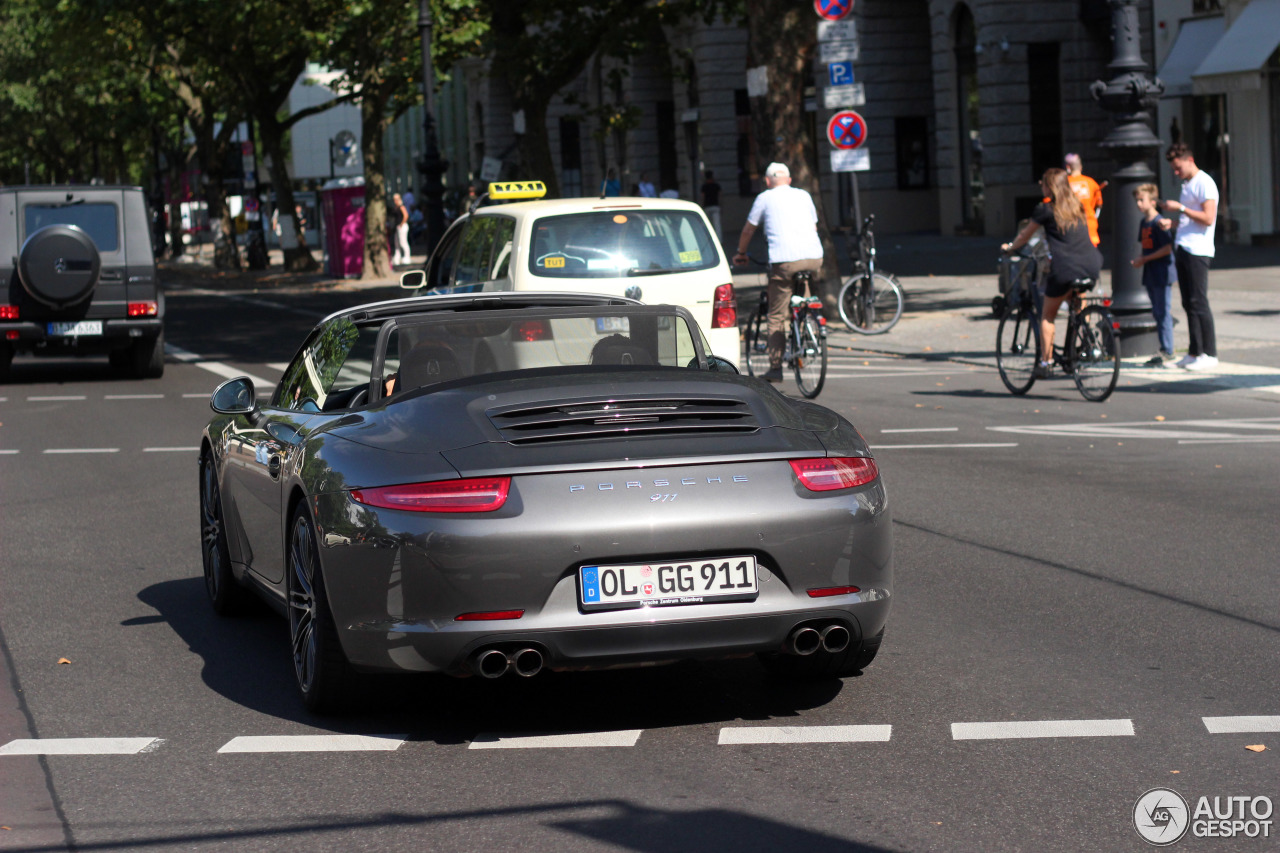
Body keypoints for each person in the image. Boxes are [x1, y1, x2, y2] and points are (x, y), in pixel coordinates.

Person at [1002, 168, 1102, 378]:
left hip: (1065, 267)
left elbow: (1025, 236)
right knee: (1077, 307)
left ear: (1049, 186)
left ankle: (1045, 362)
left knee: (1047, 316)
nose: (1042, 187)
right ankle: (1078, 347)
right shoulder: (1078, 206)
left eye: (1043, 184)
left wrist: (1011, 247)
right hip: (1092, 263)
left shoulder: (1045, 209)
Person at [732, 162, 824, 383]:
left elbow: (748, 230)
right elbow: (814, 228)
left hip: (784, 261)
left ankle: (775, 368)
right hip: (813, 258)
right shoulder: (803, 195)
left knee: (776, 315)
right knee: (804, 299)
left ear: (767, 181)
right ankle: (808, 328)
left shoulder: (765, 198)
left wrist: (741, 252)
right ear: (790, 180)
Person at [1161, 142, 1219, 371]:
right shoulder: (1188, 184)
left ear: (1189, 160)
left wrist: (1181, 210)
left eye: (1178, 168)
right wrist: (1174, 223)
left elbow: (1208, 218)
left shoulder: (1204, 182)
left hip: (1198, 250)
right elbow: (1192, 221)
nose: (1176, 173)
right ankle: (1195, 351)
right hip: (1185, 246)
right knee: (1188, 302)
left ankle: (1210, 353)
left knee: (1199, 301)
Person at [1129, 184, 1176, 367]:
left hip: (1162, 272)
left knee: (1163, 311)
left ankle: (1168, 349)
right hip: (1150, 271)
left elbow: (1167, 248)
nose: (1139, 204)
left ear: (1153, 202)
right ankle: (1164, 347)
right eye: (1137, 201)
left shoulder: (1159, 222)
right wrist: (1142, 259)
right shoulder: (1144, 222)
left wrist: (1145, 258)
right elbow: (1145, 245)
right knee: (1157, 311)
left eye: (1142, 200)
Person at [1064, 153, 1104, 248]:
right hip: (1089, 225)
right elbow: (1099, 204)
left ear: (1068, 167)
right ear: (1080, 166)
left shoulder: (1064, 184)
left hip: (1070, 228)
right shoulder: (1091, 183)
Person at [701, 169, 722, 244]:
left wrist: (702, 205)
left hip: (707, 206)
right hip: (715, 205)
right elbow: (720, 196)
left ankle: (707, 239)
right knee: (717, 225)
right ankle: (719, 240)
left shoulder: (704, 186)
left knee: (707, 224)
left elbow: (703, 197)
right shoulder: (716, 185)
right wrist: (720, 205)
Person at [390, 192, 410, 266]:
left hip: (402, 226)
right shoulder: (396, 207)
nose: (395, 201)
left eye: (396, 199)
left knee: (403, 242)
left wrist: (401, 224)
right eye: (394, 199)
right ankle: (397, 258)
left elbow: (406, 215)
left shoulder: (402, 206)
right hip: (397, 227)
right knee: (397, 244)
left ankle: (407, 257)